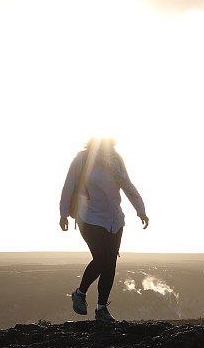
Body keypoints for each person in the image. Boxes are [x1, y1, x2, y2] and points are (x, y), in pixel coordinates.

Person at [59, 136, 149, 321]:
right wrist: (63, 214)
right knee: (101, 258)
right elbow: (68, 186)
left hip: (115, 220)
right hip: (89, 218)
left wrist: (141, 210)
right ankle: (80, 293)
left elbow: (127, 185)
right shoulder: (82, 160)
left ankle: (101, 309)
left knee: (110, 264)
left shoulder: (116, 161)